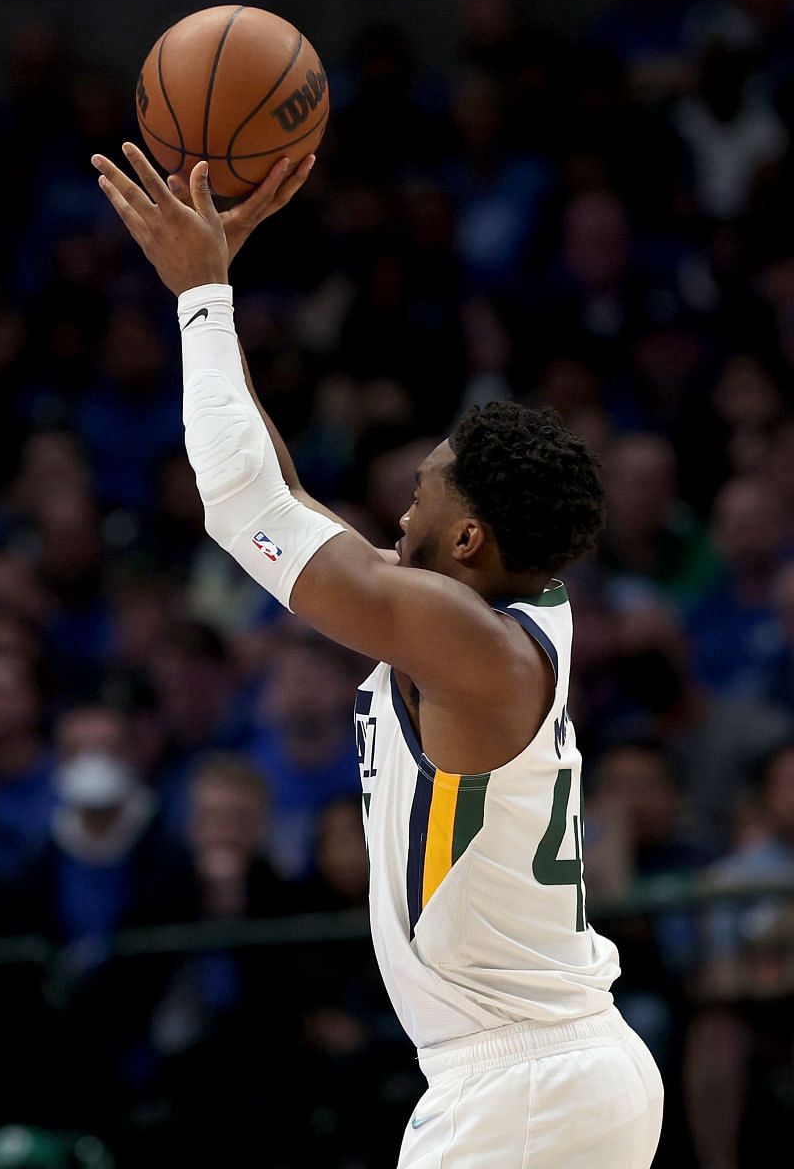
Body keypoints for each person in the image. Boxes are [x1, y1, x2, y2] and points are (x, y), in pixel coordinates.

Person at [94, 145, 662, 1164]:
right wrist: (222, 286)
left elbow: (243, 507)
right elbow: (284, 497)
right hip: (546, 1071)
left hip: (522, 1080)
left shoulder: (468, 642)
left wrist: (198, 299)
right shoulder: (489, 618)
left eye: (430, 485)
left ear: (472, 535)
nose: (405, 496)